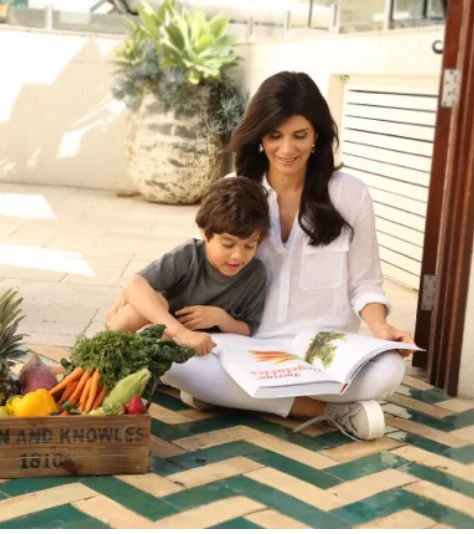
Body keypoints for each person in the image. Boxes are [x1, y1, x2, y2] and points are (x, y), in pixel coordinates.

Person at [124, 71, 414, 441]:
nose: (287, 149)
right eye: (274, 135)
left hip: (322, 346)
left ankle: (236, 397)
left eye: (300, 135)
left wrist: (381, 328)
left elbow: (366, 282)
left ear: (318, 137)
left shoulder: (350, 194)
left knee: (387, 371)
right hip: (246, 341)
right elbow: (205, 265)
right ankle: (328, 410)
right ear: (259, 136)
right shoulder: (234, 189)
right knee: (172, 358)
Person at [107, 177, 270, 354]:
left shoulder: (255, 274)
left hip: (196, 346)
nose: (238, 255)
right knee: (147, 305)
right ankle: (98, 355)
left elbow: (248, 328)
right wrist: (180, 332)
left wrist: (221, 318)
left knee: (159, 339)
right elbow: (134, 285)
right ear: (204, 233)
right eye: (228, 244)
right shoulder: (189, 255)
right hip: (165, 327)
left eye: (250, 245)